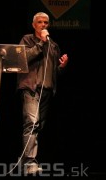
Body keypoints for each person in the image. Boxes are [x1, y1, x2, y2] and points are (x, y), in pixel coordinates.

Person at [17, 12, 69, 174]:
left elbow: (52, 72)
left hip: (47, 91)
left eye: (46, 22)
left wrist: (61, 67)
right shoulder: (27, 40)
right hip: (31, 88)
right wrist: (40, 43)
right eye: (40, 22)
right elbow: (23, 58)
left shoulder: (53, 45)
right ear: (34, 25)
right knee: (32, 123)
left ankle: (25, 161)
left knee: (37, 127)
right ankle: (30, 163)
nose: (43, 25)